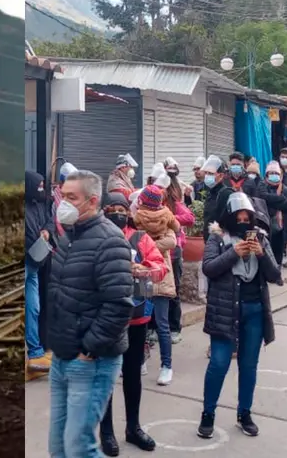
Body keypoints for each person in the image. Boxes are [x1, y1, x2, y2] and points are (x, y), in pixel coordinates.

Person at [47, 170, 134, 458]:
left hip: (90, 362)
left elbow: (119, 304)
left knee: (79, 447)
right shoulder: (68, 238)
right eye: (63, 196)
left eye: (72, 198)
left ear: (93, 201)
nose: (64, 203)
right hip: (61, 356)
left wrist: (89, 350)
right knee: (58, 446)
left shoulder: (111, 241)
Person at [198, 192, 283, 439]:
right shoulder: (218, 238)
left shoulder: (261, 239)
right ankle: (208, 413)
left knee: (248, 365)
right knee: (219, 363)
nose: (244, 221)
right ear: (230, 217)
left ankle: (244, 413)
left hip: (255, 310)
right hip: (225, 310)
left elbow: (275, 275)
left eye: (248, 217)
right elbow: (209, 268)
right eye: (239, 216)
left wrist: (260, 253)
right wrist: (234, 252)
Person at [98, 192, 168, 456]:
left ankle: (133, 427)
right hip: (106, 317)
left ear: (128, 212)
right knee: (106, 375)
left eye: (121, 208)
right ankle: (106, 432)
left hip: (137, 315)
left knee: (132, 375)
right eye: (111, 208)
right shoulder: (97, 237)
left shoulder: (140, 238)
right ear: (103, 210)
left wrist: (143, 268)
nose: (116, 212)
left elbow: (160, 268)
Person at [132, 184, 184, 355]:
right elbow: (174, 237)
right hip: (162, 269)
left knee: (142, 318)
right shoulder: (166, 217)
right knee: (163, 322)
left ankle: (142, 357)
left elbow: (134, 240)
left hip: (143, 270)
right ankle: (166, 364)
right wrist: (157, 245)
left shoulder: (137, 217)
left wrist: (146, 245)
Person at [162, 161, 196, 346]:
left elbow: (190, 218)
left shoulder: (175, 202)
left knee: (173, 290)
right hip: (155, 252)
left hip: (174, 252)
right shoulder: (149, 201)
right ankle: (155, 328)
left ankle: (174, 328)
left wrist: (169, 218)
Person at [25, 170, 55, 373]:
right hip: (28, 261)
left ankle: (35, 352)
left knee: (34, 307)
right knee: (30, 307)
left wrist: (47, 231)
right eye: (38, 186)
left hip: (35, 263)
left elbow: (49, 221)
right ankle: (34, 351)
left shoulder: (40, 203)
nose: (41, 190)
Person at [261, 161, 287, 266]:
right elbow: (262, 198)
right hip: (265, 223)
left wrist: (272, 202)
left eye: (277, 173)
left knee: (278, 250)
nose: (274, 175)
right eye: (272, 173)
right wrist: (280, 199)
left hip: (280, 225)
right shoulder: (262, 186)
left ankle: (277, 271)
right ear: (267, 175)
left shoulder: (285, 189)